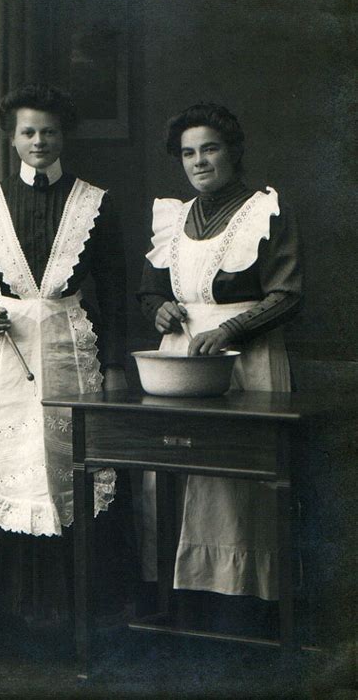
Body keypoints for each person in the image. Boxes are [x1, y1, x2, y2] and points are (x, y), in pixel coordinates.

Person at [0, 83, 130, 657]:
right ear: (12, 137)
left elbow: (116, 289)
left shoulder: (95, 201)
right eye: (28, 132)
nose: (39, 141)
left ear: (62, 135)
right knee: (10, 469)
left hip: (72, 350)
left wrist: (116, 365)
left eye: (48, 131)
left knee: (71, 474)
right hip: (8, 355)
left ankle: (78, 614)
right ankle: (10, 616)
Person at [138, 103, 302, 620]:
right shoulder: (175, 217)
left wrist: (231, 329)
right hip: (179, 363)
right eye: (188, 153)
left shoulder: (265, 211)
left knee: (234, 488)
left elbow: (288, 293)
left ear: (233, 150)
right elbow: (149, 290)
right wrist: (159, 309)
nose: (199, 161)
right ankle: (177, 602)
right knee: (169, 477)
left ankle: (242, 609)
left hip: (244, 362)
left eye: (209, 148)